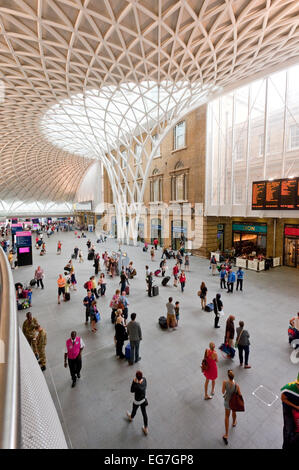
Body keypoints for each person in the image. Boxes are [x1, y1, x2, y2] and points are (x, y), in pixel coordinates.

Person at [126, 370, 148, 435]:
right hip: (143, 400)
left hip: (137, 401)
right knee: (144, 414)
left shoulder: (136, 386)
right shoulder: (144, 380)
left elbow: (131, 390)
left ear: (136, 377)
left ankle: (131, 417)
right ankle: (146, 428)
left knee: (134, 410)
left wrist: (134, 382)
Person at [281, 373, 299, 449]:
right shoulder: (289, 388)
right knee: (288, 431)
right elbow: (283, 398)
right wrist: (296, 407)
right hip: (290, 413)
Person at [222, 370, 240, 445]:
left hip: (227, 401)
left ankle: (226, 434)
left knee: (226, 416)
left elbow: (223, 392)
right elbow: (239, 394)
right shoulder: (237, 385)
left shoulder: (225, 382)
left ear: (228, 376)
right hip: (233, 402)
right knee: (234, 412)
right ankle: (234, 422)